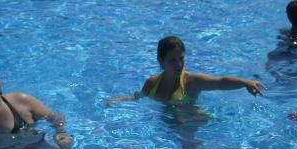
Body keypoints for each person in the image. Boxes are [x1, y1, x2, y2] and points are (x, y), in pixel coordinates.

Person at [108, 36, 264, 104]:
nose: (179, 64)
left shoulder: (191, 82)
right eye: (172, 60)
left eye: (181, 58)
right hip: (168, 124)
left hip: (191, 121)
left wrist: (245, 82)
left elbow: (220, 82)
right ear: (161, 62)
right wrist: (121, 99)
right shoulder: (152, 83)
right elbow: (139, 96)